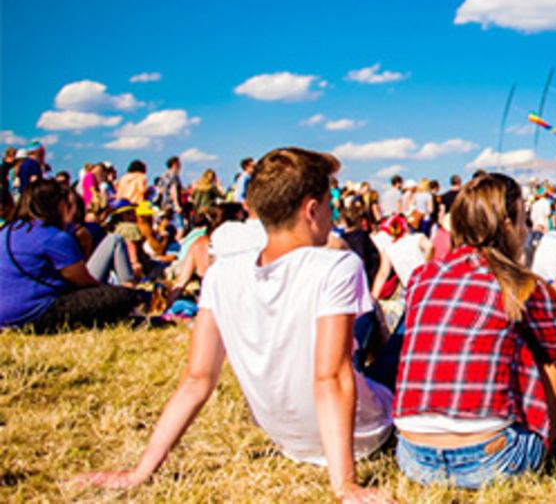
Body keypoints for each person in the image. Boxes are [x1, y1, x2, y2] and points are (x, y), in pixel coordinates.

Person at [69, 148, 395, 503]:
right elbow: (330, 378)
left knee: (358, 329)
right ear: (311, 210)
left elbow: (196, 380)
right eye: (328, 208)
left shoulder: (222, 273)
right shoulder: (337, 266)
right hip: (363, 431)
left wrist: (140, 471)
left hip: (288, 440)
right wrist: (344, 485)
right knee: (403, 321)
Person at [394, 172, 556, 488]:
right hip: (493, 459)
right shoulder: (524, 286)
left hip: (413, 456)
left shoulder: (422, 277)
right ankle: (549, 434)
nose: (526, 229)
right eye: (522, 220)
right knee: (549, 355)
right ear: (507, 225)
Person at [0, 180, 142, 331]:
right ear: (57, 204)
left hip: (4, 317)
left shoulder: (5, 232)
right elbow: (83, 282)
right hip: (36, 314)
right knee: (125, 296)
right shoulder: (53, 236)